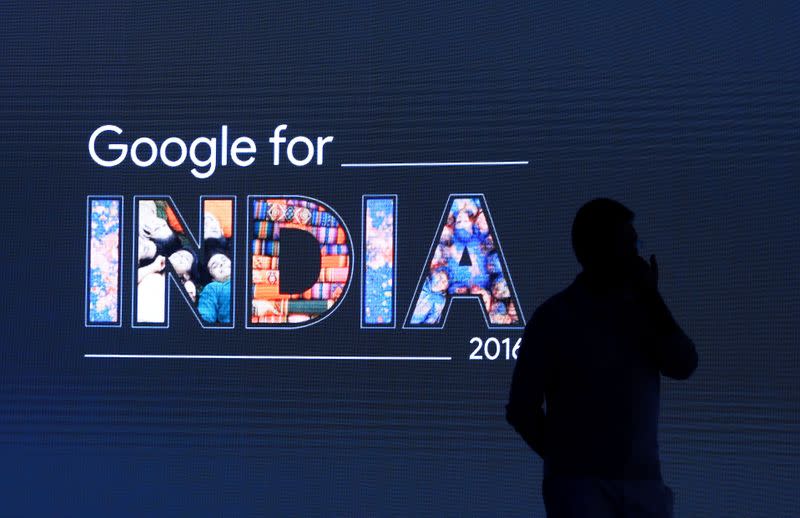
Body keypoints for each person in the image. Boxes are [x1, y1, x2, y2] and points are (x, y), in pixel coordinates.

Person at [506, 198, 698, 518]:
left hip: (640, 485)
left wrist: (651, 297)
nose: (634, 255)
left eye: (634, 244)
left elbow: (684, 364)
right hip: (582, 490)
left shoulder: (642, 313)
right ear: (593, 250)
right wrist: (567, 464)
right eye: (624, 244)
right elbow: (521, 409)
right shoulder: (554, 319)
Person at [197, 252, 232, 324]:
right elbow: (204, 320)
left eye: (224, 260)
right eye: (215, 266)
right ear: (213, 279)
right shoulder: (214, 287)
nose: (221, 264)